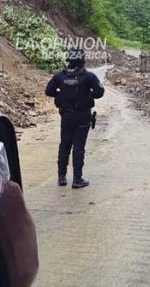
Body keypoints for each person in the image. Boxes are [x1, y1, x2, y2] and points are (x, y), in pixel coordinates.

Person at [45, 48, 105, 188]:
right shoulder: (89, 76)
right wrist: (88, 94)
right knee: (79, 147)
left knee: (64, 144)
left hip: (66, 115)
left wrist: (61, 95)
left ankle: (61, 177)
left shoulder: (60, 76)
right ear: (82, 60)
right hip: (83, 115)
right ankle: (77, 179)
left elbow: (48, 91)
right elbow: (99, 92)